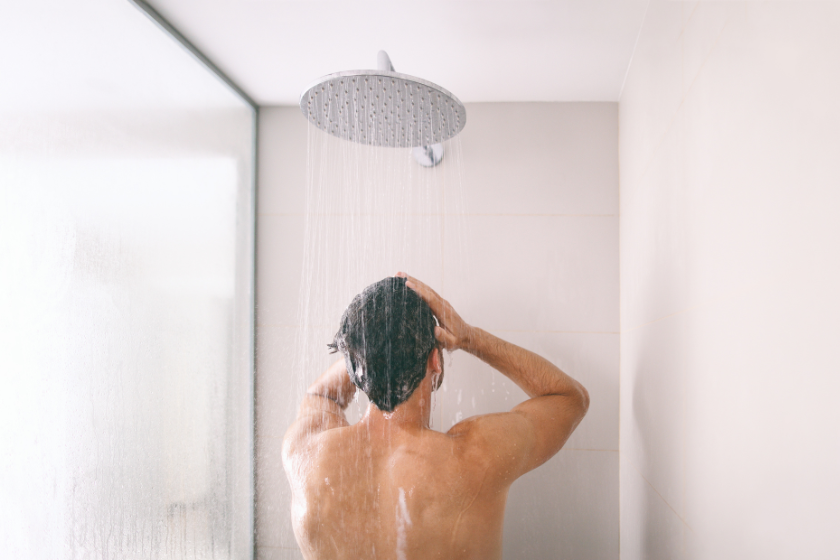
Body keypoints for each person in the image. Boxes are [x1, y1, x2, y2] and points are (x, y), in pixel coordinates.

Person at [282, 273, 589, 560]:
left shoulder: (305, 455)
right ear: (435, 359)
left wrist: (370, 348)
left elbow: (320, 395)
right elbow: (568, 398)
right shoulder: (476, 456)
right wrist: (469, 337)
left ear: (352, 364)